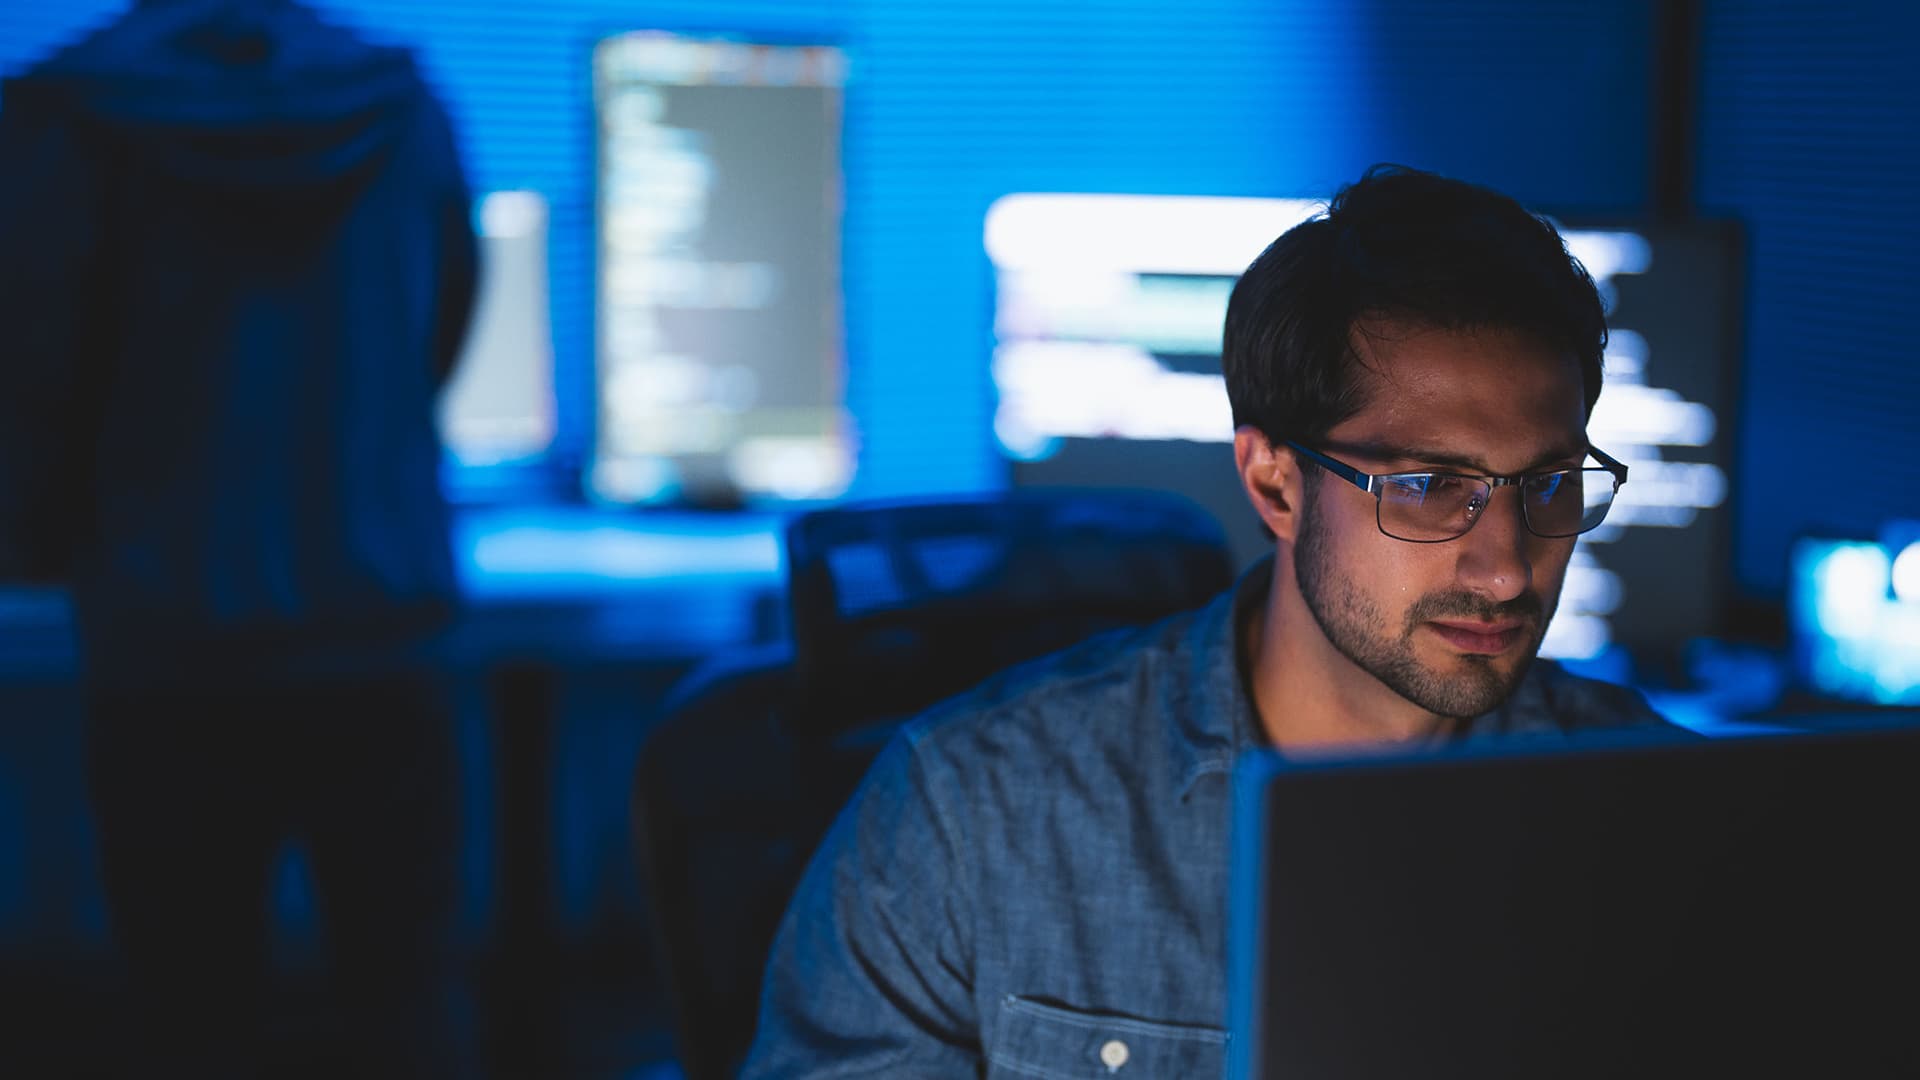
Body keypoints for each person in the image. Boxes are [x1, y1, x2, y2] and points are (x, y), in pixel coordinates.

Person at [740, 164, 1687, 1077]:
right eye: (1431, 486)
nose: (1509, 564)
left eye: (1550, 483)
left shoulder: (1664, 810)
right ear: (1275, 483)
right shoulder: (970, 815)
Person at [0, 1, 477, 1076]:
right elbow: (433, 335)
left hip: (171, 636)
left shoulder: (76, 115)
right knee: (405, 1009)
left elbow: (30, 375)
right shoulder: (402, 104)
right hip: (381, 621)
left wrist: (38, 538)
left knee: (189, 1019)